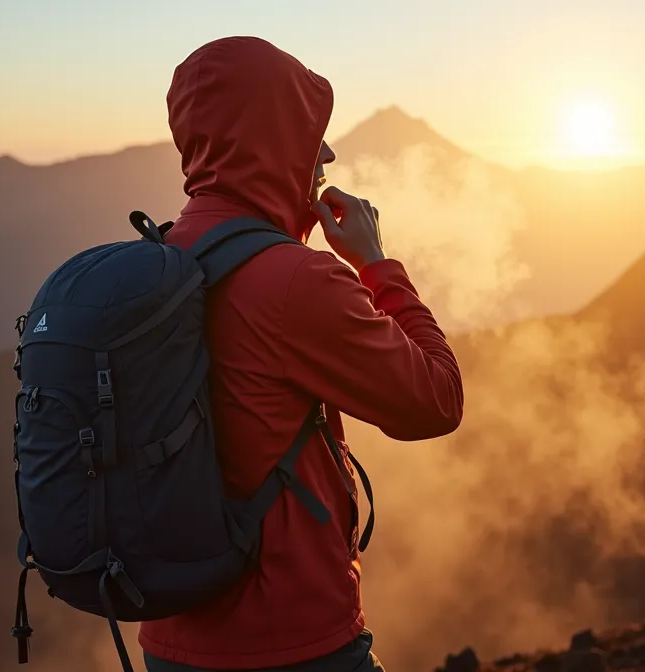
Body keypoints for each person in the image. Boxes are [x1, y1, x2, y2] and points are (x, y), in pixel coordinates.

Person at [138, 36, 465, 672]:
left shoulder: (158, 261)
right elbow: (437, 400)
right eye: (308, 132)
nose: (328, 152)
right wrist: (375, 264)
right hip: (290, 645)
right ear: (270, 140)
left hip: (171, 643)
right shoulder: (297, 281)